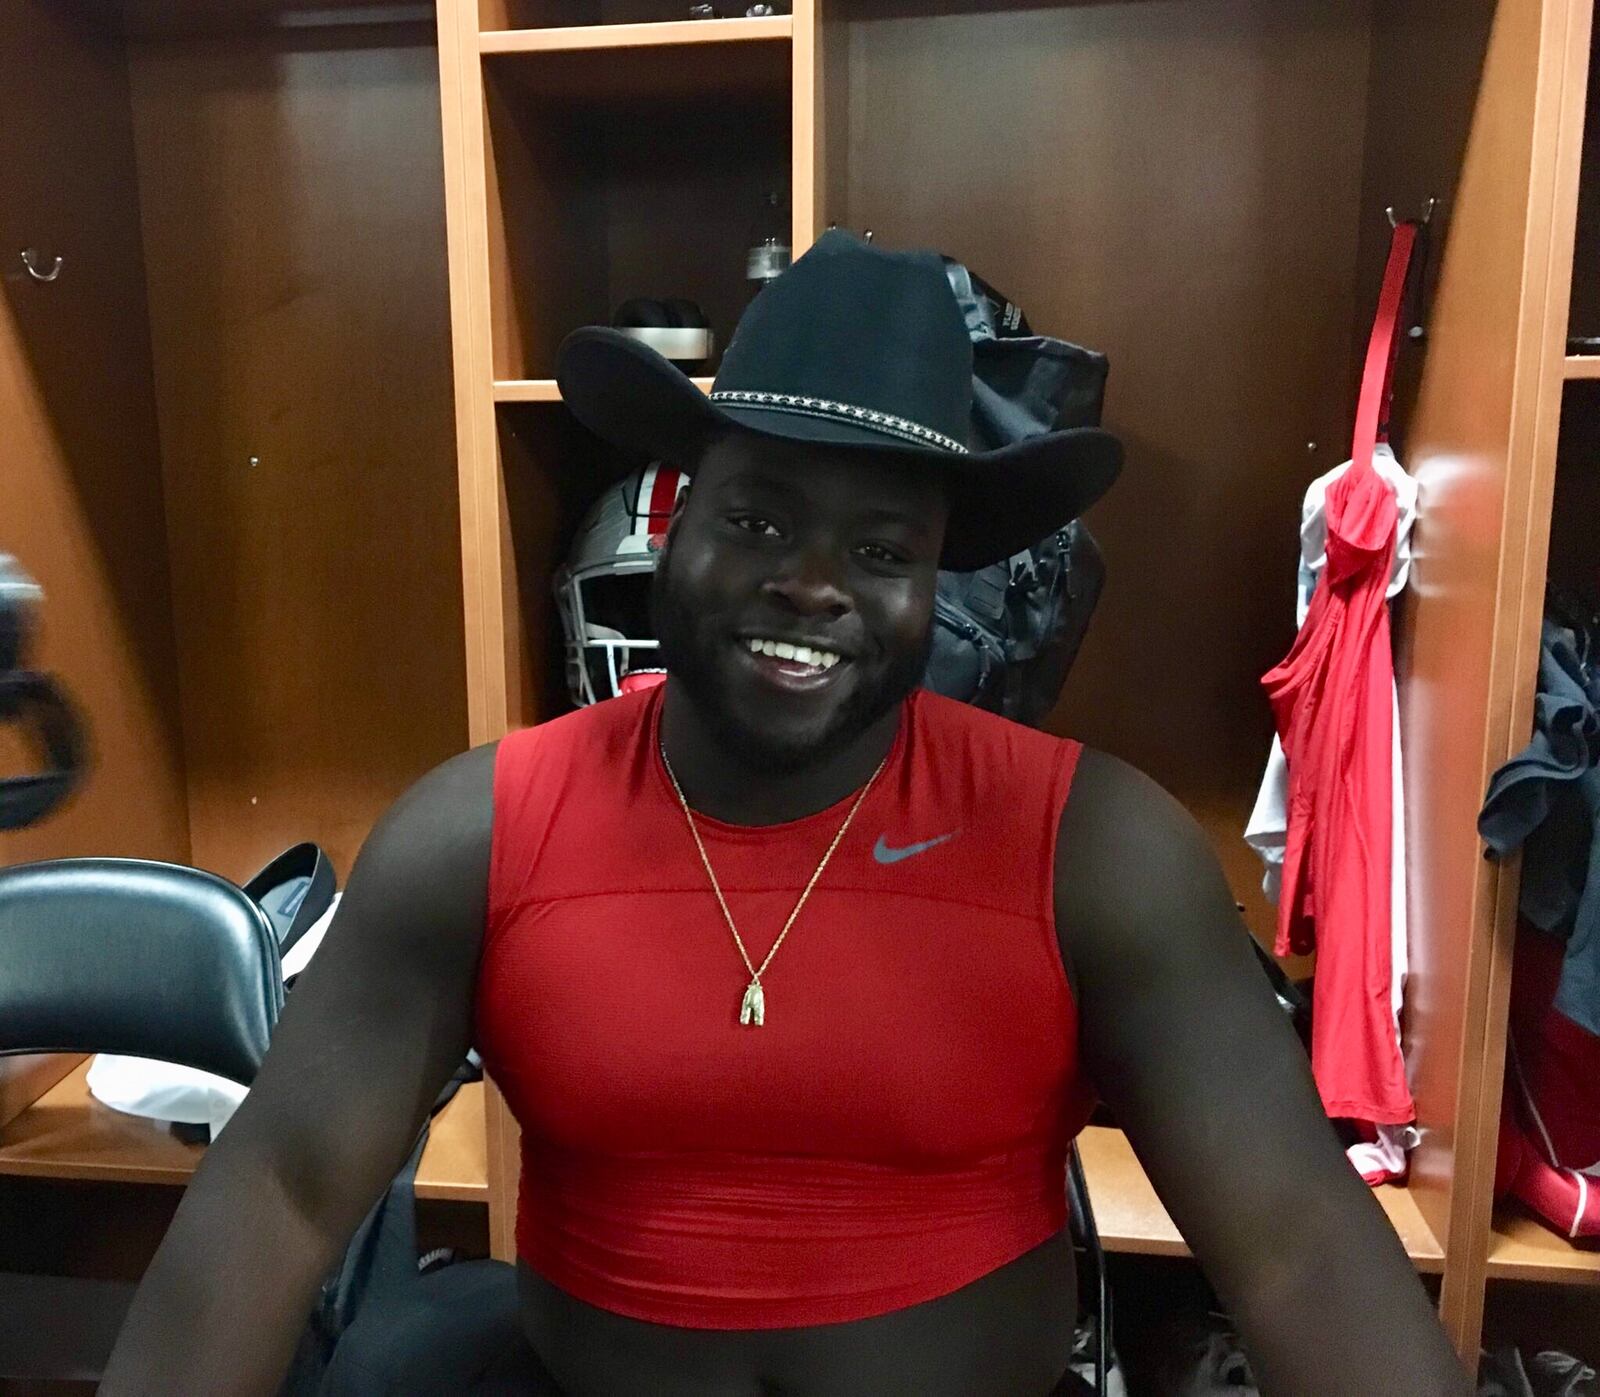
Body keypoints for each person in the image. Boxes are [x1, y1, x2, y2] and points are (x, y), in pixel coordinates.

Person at [101, 232, 1467, 1396]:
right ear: (675, 516)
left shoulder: (1096, 848)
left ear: (938, 579)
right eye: (760, 520)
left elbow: (1294, 1241)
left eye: (881, 549)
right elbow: (275, 1196)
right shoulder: (477, 834)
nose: (813, 582)